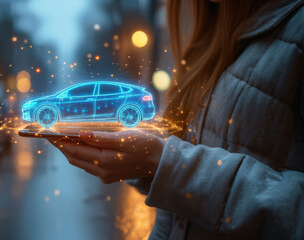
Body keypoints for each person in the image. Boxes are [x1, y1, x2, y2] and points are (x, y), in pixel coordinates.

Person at [48, 0, 304, 239]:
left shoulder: (297, 34)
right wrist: (148, 164)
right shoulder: (208, 44)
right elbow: (174, 218)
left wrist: (165, 162)